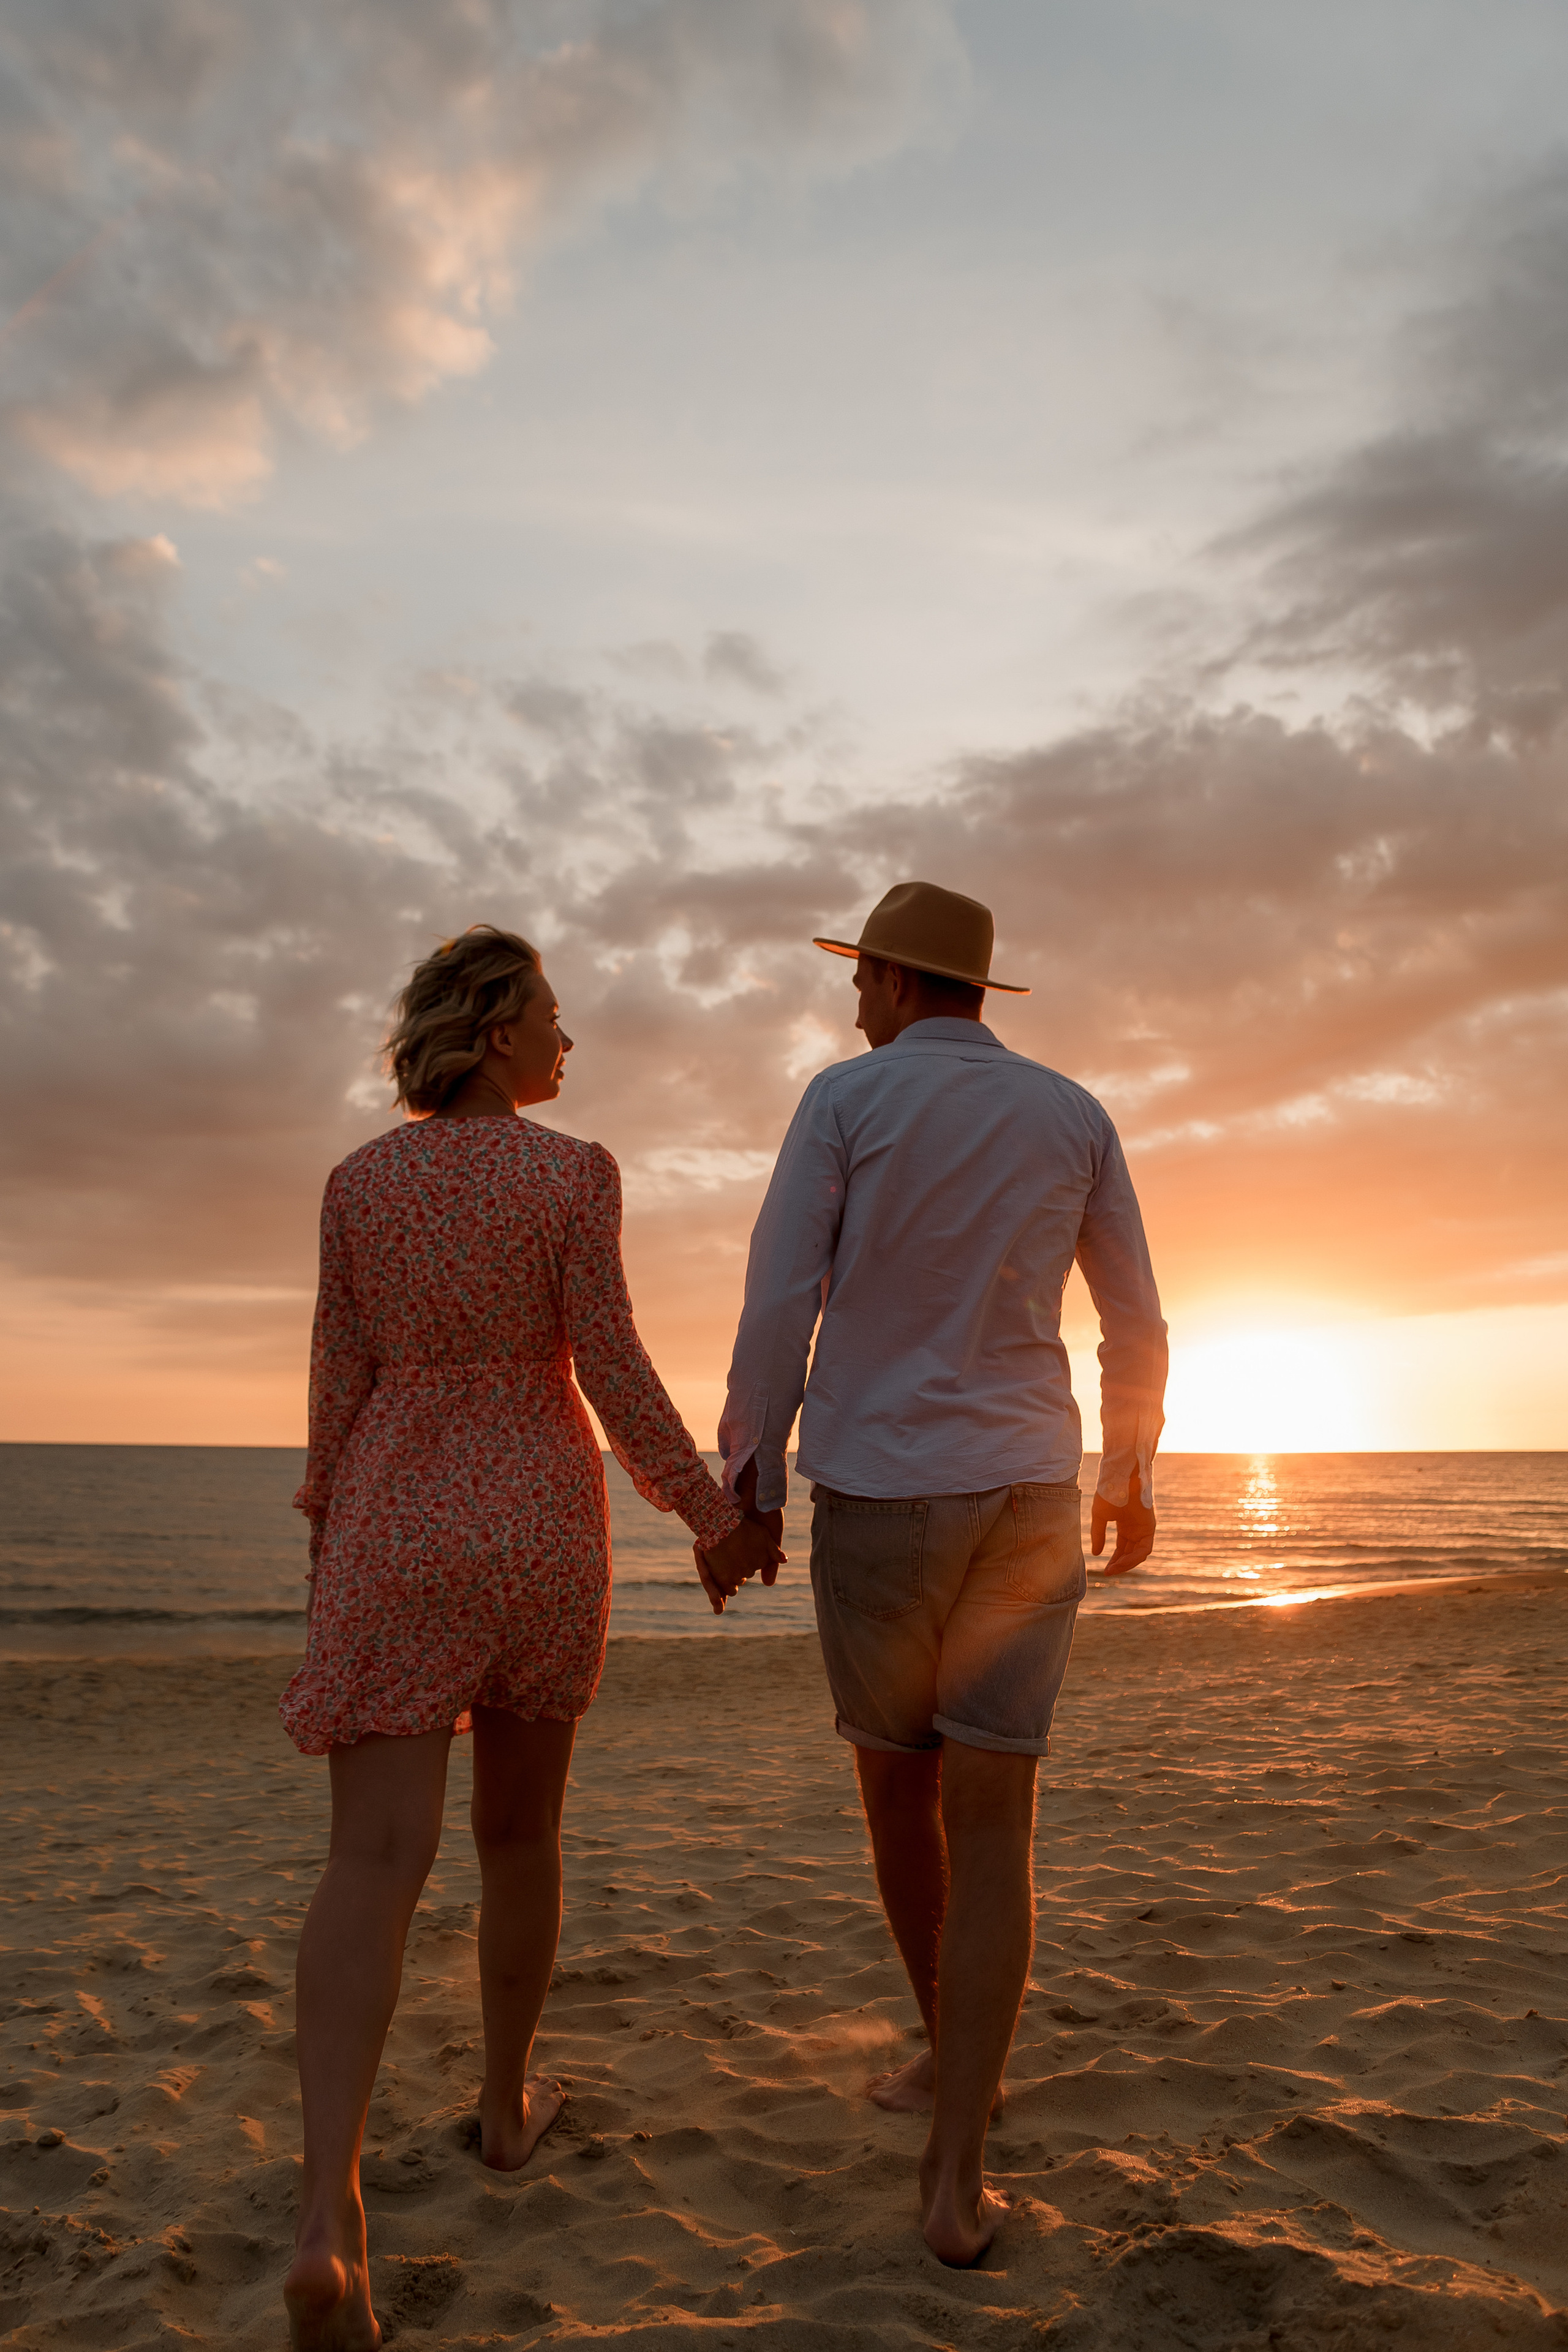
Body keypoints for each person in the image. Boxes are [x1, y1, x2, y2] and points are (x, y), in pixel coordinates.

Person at [279, 925, 780, 2352]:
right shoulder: (573, 1174)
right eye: (553, 1017)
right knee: (518, 1839)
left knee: (369, 1863)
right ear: (497, 1029)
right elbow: (610, 1364)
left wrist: (333, 1536)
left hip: (391, 1522)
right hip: (535, 1531)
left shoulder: (357, 1184)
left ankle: (329, 2219)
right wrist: (708, 1516)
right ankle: (503, 2114)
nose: (570, 1043)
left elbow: (337, 1377)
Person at [714, 880, 1167, 2266]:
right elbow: (1133, 1314)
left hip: (882, 1488)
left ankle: (939, 2058)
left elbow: (781, 1294)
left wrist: (747, 1476)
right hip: (1028, 1495)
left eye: (862, 979)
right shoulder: (1072, 1112)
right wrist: (1128, 1473)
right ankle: (955, 2163)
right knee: (996, 1827)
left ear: (901, 984)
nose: (853, 1001)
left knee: (899, 1802)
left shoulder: (844, 1102)